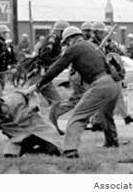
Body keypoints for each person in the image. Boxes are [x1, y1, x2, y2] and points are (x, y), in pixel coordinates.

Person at [32, 26, 121, 158]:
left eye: (66, 42)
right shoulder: (91, 46)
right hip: (115, 83)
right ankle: (112, 142)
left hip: (101, 83)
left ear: (71, 39)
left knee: (77, 117)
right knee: (105, 114)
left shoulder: (75, 48)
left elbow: (57, 67)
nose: (66, 45)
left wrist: (39, 84)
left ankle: (70, 150)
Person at [0, 90, 61, 157]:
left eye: (6, 112)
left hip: (39, 131)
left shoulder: (16, 98)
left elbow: (32, 94)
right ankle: (30, 151)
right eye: (2, 116)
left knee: (54, 152)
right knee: (9, 155)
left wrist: (33, 104)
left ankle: (40, 149)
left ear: (5, 104)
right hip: (20, 139)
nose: (7, 116)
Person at [26, 20, 69, 106]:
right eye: (65, 32)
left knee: (57, 101)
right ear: (60, 31)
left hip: (46, 75)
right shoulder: (52, 39)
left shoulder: (58, 41)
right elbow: (44, 55)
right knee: (29, 97)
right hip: (39, 73)